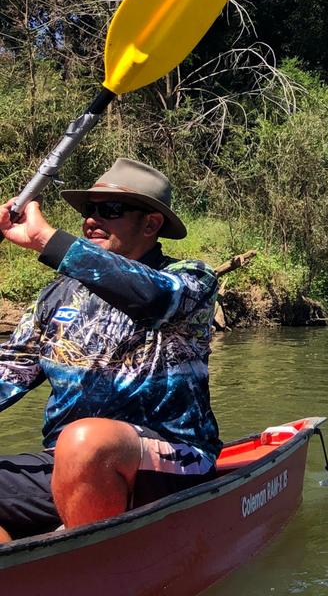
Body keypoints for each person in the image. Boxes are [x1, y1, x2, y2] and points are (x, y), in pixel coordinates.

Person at [0, 158, 220, 543]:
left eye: (111, 210)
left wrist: (44, 240)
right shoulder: (55, 296)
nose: (91, 220)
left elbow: (154, 298)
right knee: (80, 446)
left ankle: (86, 566)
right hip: (68, 466)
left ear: (151, 224)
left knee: (87, 440)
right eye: (90, 209)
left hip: (175, 459)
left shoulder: (190, 279)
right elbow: (10, 371)